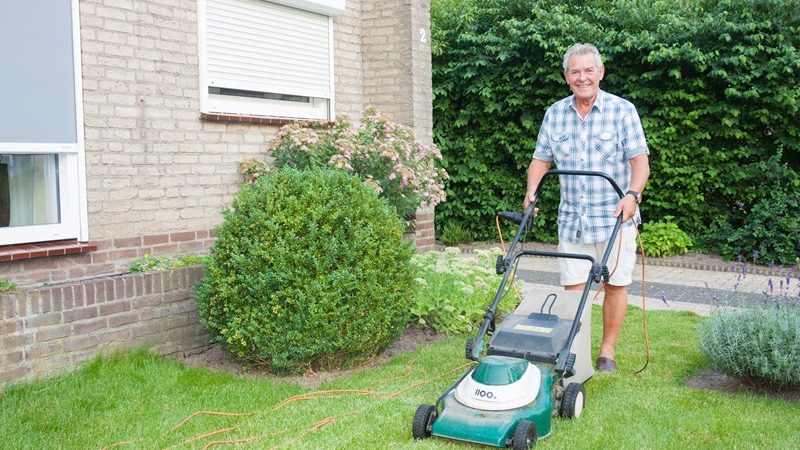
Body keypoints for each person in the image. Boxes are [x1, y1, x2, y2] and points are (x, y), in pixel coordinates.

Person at [523, 43, 650, 372]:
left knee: (615, 285)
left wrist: (632, 195)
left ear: (600, 73)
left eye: (588, 71)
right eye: (575, 72)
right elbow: (540, 160)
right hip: (573, 220)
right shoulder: (555, 113)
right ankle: (574, 351)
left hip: (615, 220)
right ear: (567, 77)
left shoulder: (622, 111)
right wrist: (531, 193)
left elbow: (641, 163)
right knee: (573, 290)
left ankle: (607, 351)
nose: (582, 77)